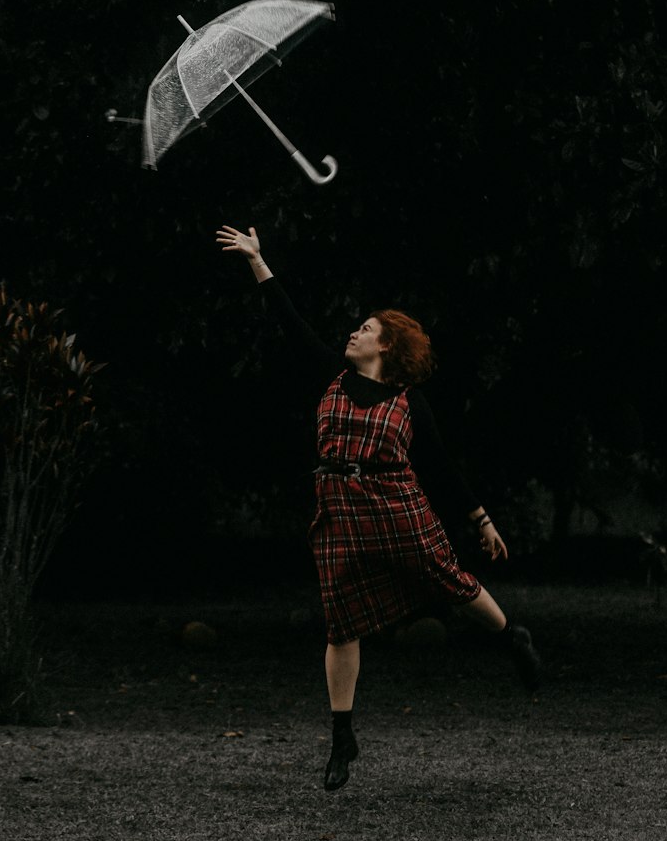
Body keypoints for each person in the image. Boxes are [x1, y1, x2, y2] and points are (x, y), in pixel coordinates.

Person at [216, 224, 542, 792]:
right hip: (339, 510)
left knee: (451, 580)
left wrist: (481, 520)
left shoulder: (410, 403)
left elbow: (440, 467)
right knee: (340, 623)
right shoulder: (333, 377)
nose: (353, 332)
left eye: (364, 329)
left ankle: (512, 636)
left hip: (397, 506)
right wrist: (258, 261)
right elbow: (289, 325)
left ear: (386, 345)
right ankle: (343, 737)